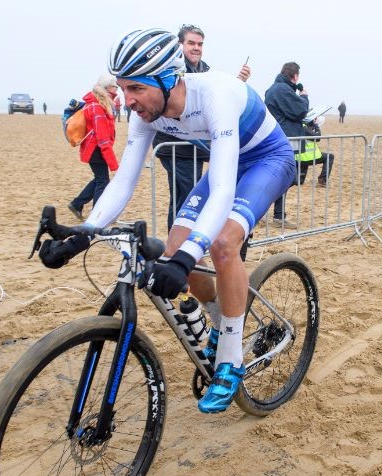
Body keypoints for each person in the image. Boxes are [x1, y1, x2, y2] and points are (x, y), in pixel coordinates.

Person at [39, 29, 294, 414]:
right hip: (228, 165)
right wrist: (82, 235)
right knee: (174, 248)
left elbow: (223, 188)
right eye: (123, 89)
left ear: (166, 78)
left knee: (222, 244)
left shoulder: (215, 94)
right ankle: (221, 318)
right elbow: (124, 179)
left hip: (267, 160)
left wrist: (188, 257)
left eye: (136, 89)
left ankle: (230, 359)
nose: (128, 101)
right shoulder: (148, 113)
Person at [151, 24, 252, 230]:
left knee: (186, 196)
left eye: (200, 44)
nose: (196, 48)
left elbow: (212, 96)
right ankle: (177, 245)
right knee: (186, 198)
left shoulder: (204, 68)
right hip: (174, 146)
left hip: (195, 147)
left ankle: (180, 241)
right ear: (180, 45)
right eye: (191, 43)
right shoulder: (171, 69)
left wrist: (237, 82)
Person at [67, 74, 119, 220]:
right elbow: (102, 137)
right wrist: (114, 164)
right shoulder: (97, 106)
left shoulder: (97, 103)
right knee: (103, 181)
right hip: (96, 149)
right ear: (106, 88)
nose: (116, 89)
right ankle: (97, 214)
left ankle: (77, 204)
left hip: (93, 148)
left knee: (99, 179)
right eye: (114, 86)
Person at [264, 61, 309, 228]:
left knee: (282, 177)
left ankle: (272, 212)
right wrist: (304, 97)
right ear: (295, 76)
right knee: (286, 178)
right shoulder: (282, 89)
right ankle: (278, 216)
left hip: (278, 138)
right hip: (285, 139)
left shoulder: (274, 88)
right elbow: (300, 111)